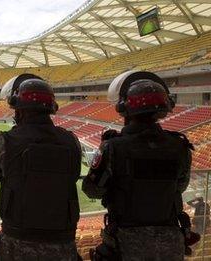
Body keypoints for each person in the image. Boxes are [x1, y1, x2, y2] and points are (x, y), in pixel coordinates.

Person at [82, 71, 196, 261]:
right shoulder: (180, 146)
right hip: (170, 242)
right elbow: (180, 187)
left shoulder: (113, 147)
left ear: (124, 108)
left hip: (127, 242)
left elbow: (92, 190)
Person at [0, 73, 82, 260]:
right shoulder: (72, 141)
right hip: (63, 243)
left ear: (18, 109)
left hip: (16, 242)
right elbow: (74, 174)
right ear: (52, 107)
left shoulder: (6, 141)